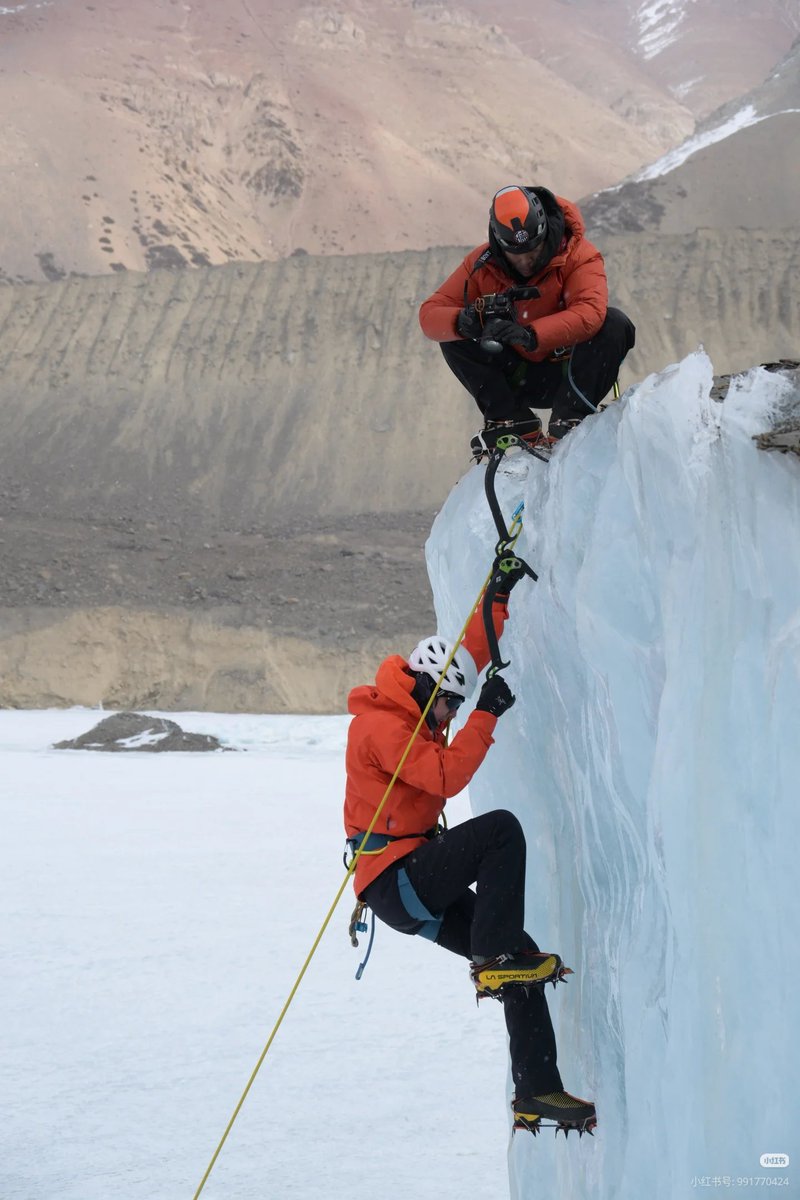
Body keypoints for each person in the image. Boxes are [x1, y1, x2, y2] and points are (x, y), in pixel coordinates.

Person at [342, 572, 596, 1135]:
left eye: (456, 706)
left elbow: (470, 651)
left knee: (520, 956)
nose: (450, 715)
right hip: (397, 880)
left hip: (413, 883)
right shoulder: (380, 727)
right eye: (448, 704)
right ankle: (492, 960)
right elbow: (444, 777)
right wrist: (486, 715)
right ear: (425, 690)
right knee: (501, 831)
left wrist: (497, 594)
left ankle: (537, 1092)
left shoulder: (418, 710)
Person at [419, 183, 636, 453]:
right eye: (516, 256)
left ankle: (569, 420)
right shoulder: (481, 264)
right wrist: (465, 320)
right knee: (452, 334)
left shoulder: (579, 255)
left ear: (545, 234)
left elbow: (590, 312)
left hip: (570, 373)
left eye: (533, 252)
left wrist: (532, 335)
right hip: (519, 375)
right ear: (499, 244)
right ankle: (512, 420)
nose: (526, 263)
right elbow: (430, 314)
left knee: (615, 324)